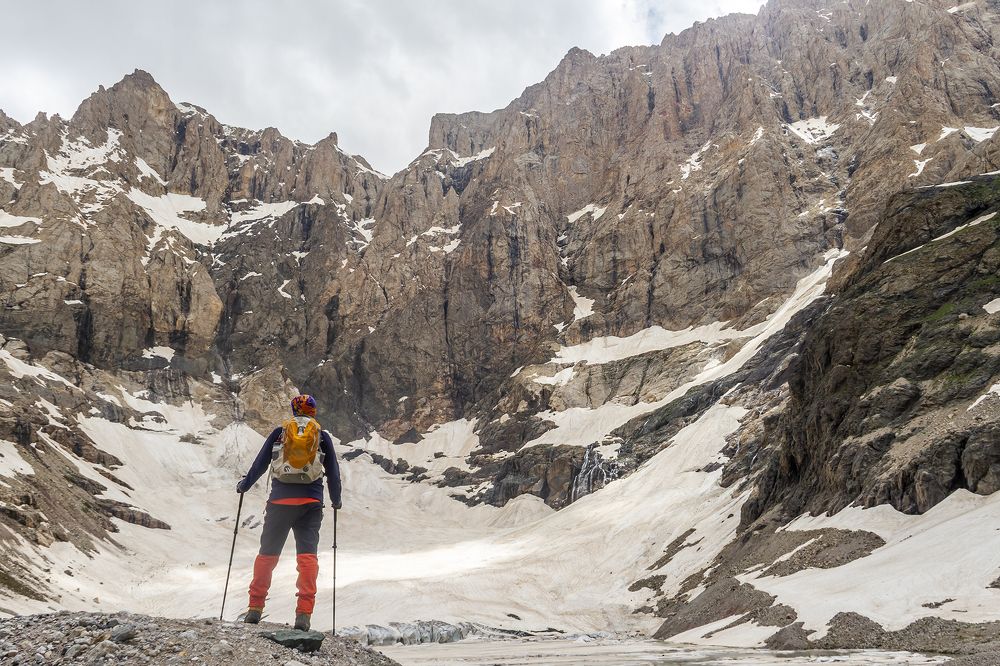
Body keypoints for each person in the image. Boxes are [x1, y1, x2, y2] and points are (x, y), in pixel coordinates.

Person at [236, 394, 342, 631]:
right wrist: (336, 500)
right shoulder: (321, 437)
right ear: (313, 412)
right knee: (307, 558)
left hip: (280, 502)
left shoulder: (280, 433)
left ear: (294, 411)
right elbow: (333, 472)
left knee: (267, 555)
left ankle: (254, 609)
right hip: (311, 503)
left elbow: (260, 464)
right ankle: (303, 615)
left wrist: (244, 485)